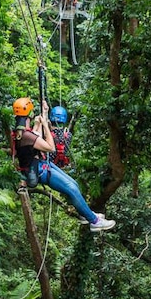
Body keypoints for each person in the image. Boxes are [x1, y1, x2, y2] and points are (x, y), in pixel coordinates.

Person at [12, 97, 116, 232]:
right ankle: (94, 221)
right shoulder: (26, 136)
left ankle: (85, 214)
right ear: (29, 115)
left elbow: (35, 135)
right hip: (40, 170)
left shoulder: (21, 133)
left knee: (74, 184)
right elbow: (51, 147)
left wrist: (44, 113)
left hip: (41, 164)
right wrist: (45, 126)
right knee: (71, 189)